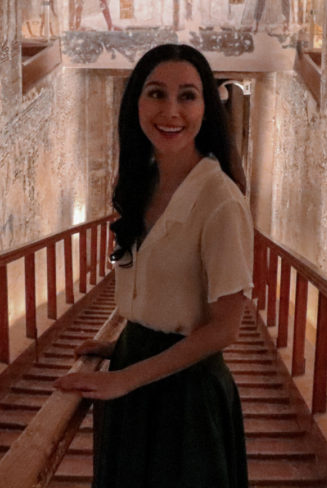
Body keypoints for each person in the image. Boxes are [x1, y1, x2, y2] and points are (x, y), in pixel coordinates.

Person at [55, 44, 252, 488]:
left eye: (187, 96)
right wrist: (126, 345)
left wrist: (125, 378)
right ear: (137, 103)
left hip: (187, 400)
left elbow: (225, 328)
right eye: (156, 93)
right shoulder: (144, 183)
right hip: (138, 374)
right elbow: (164, 293)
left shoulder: (220, 200)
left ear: (206, 108)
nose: (171, 111)